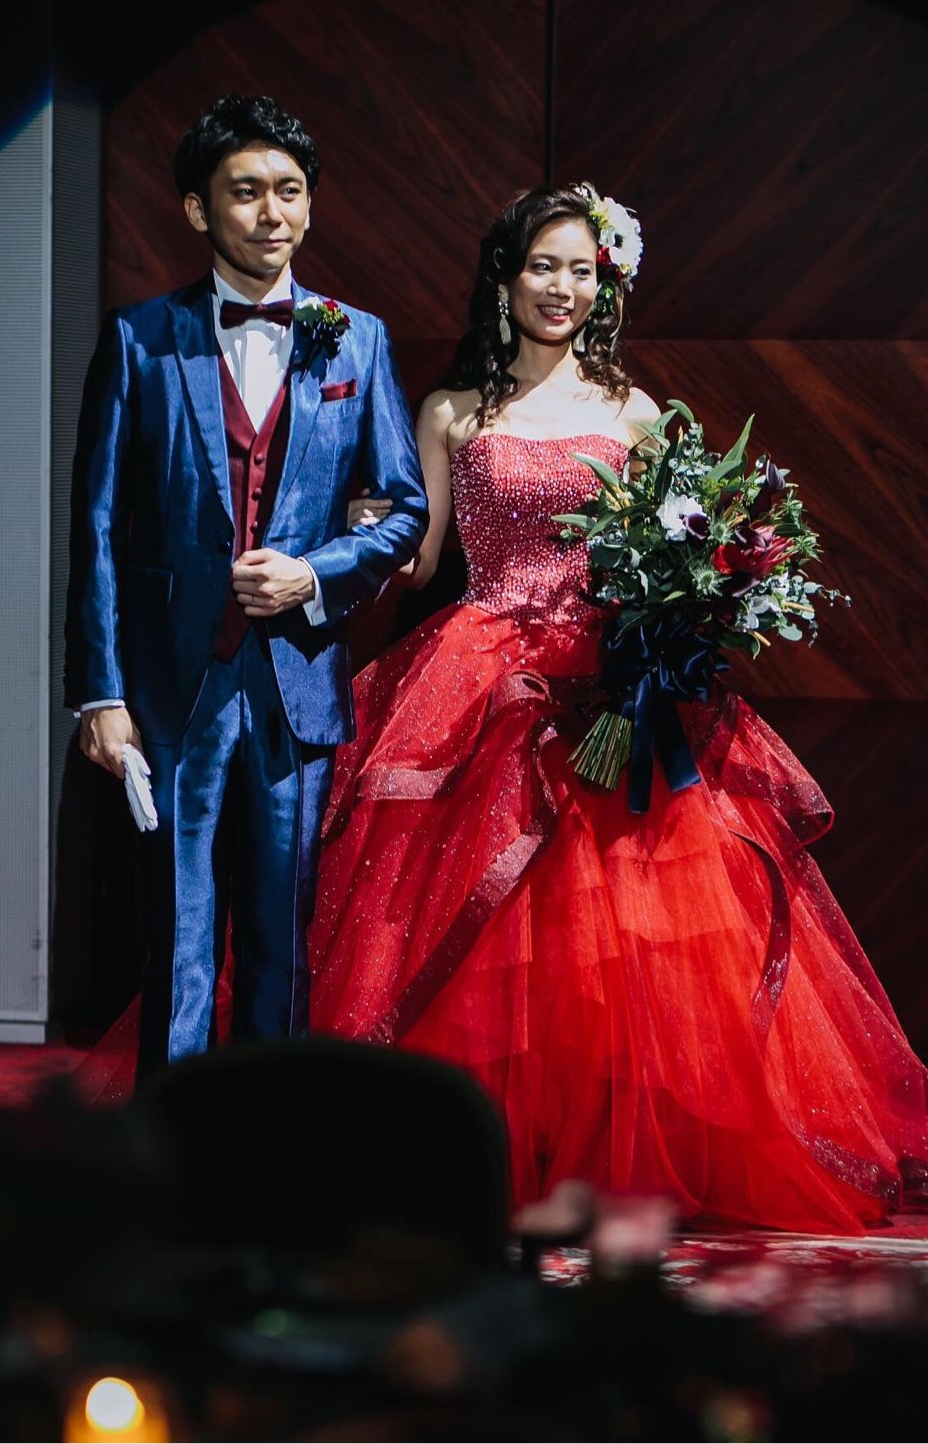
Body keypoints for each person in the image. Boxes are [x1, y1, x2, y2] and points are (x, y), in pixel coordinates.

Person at [308, 182, 928, 1233]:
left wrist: (703, 595)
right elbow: (417, 560)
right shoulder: (452, 410)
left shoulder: (635, 411)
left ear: (604, 285)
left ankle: (608, 1159)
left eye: (580, 270)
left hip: (613, 682)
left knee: (624, 940)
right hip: (479, 673)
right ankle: (484, 1156)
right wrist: (355, 523)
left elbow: (675, 546)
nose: (561, 287)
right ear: (504, 279)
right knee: (486, 926)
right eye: (541, 266)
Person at [65, 94, 428, 1077]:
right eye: (245, 192)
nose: (272, 212)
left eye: (290, 191)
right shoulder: (140, 339)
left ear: (309, 206)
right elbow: (97, 525)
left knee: (280, 943)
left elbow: (405, 509)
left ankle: (269, 1148)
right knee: (176, 941)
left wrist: (314, 572)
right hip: (168, 689)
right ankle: (168, 1151)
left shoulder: (355, 339)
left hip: (293, 684)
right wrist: (99, 693)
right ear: (197, 209)